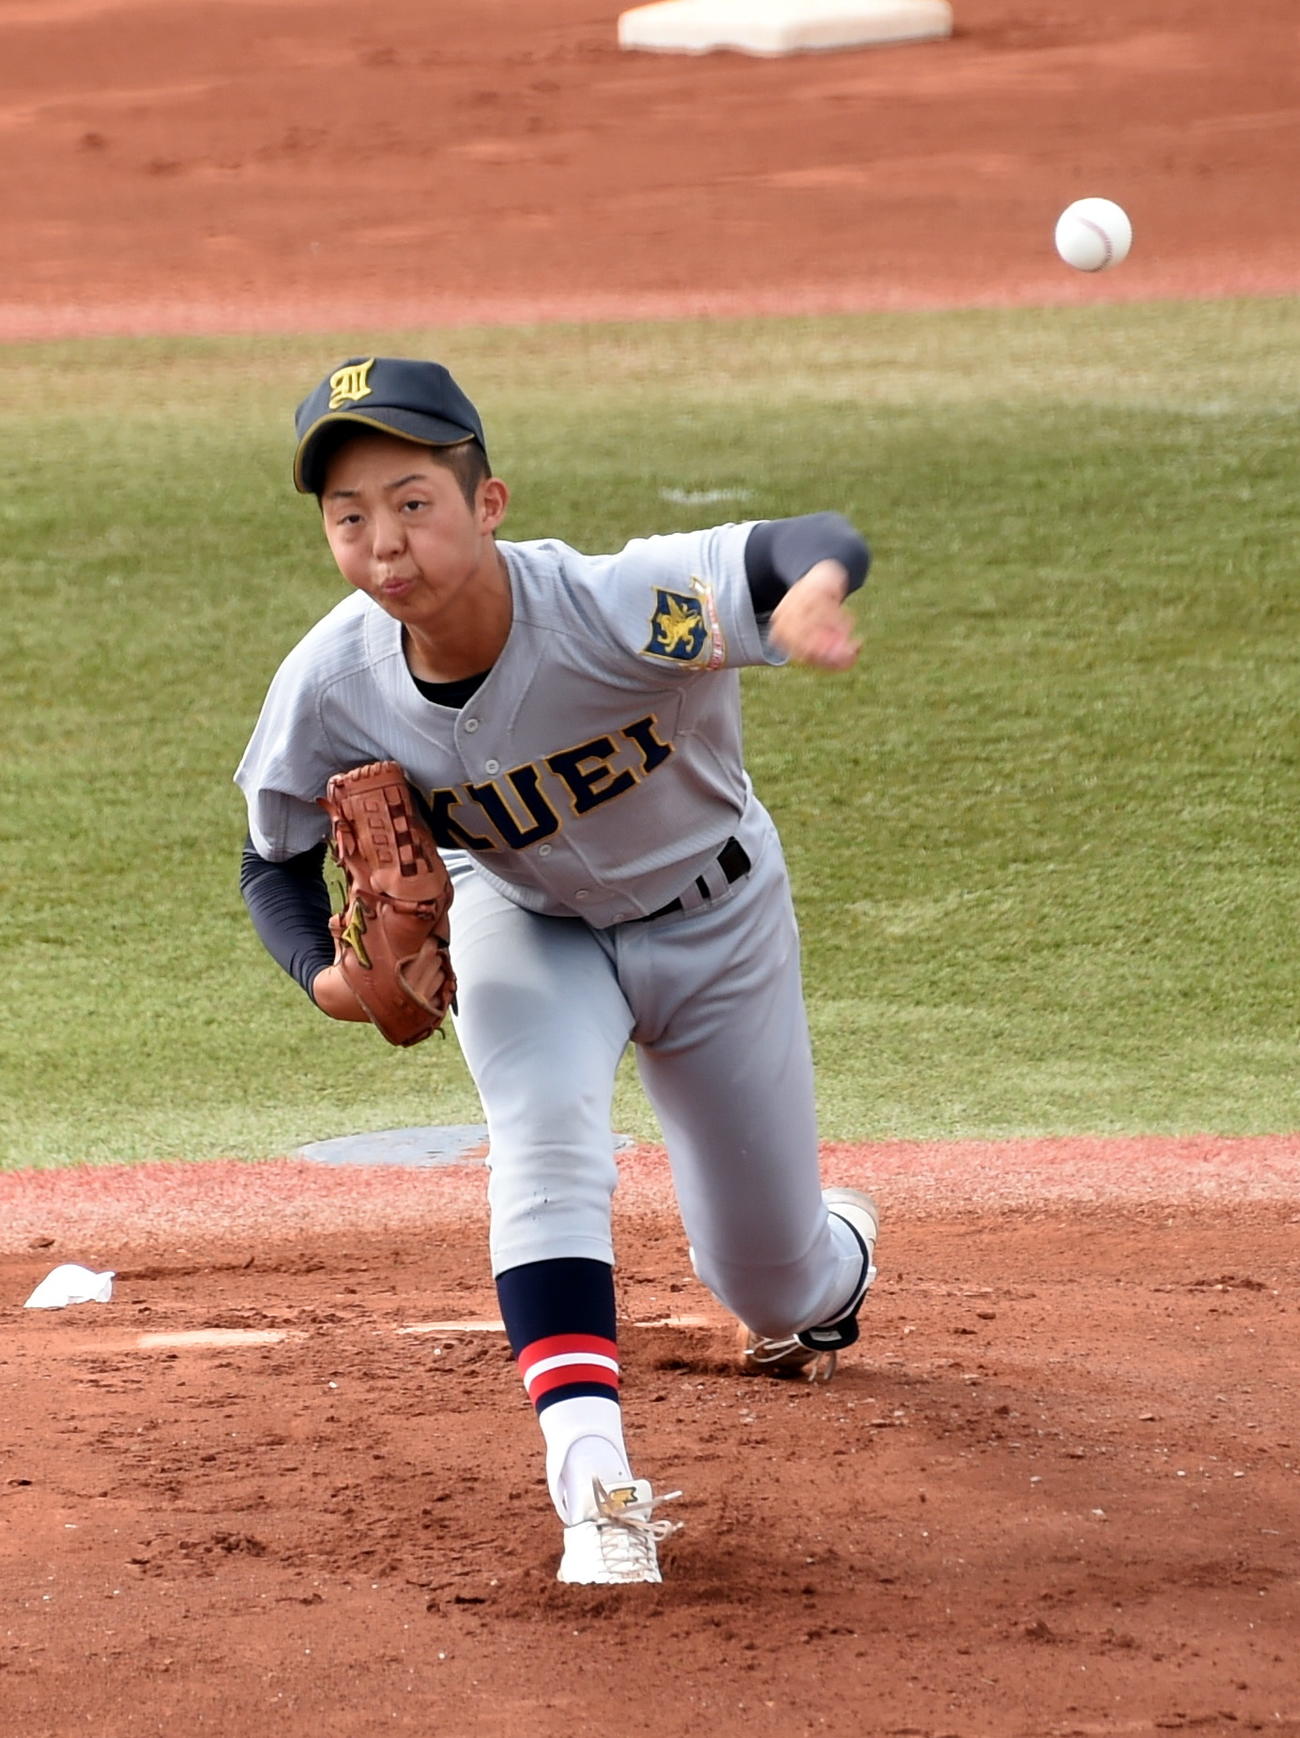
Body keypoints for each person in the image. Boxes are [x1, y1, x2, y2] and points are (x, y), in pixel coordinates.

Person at [235, 356, 880, 1587]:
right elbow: (271, 861)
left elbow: (804, 539)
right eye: (349, 515)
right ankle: (597, 1486)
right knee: (538, 1138)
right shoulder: (331, 682)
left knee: (766, 1278)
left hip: (717, 920)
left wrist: (807, 596)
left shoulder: (617, 607)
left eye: (414, 501)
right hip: (527, 922)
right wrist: (330, 975)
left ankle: (830, 1262)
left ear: (488, 505)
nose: (385, 542)